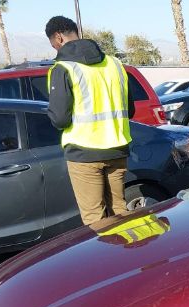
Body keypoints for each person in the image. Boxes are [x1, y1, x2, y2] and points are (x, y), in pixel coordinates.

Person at [44, 15, 135, 226]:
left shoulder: (63, 68)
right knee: (119, 211)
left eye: (52, 44)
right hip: (118, 149)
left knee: (95, 220)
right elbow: (130, 110)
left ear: (58, 38)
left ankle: (106, 259)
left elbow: (60, 119)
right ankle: (126, 257)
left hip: (83, 153)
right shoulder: (115, 64)